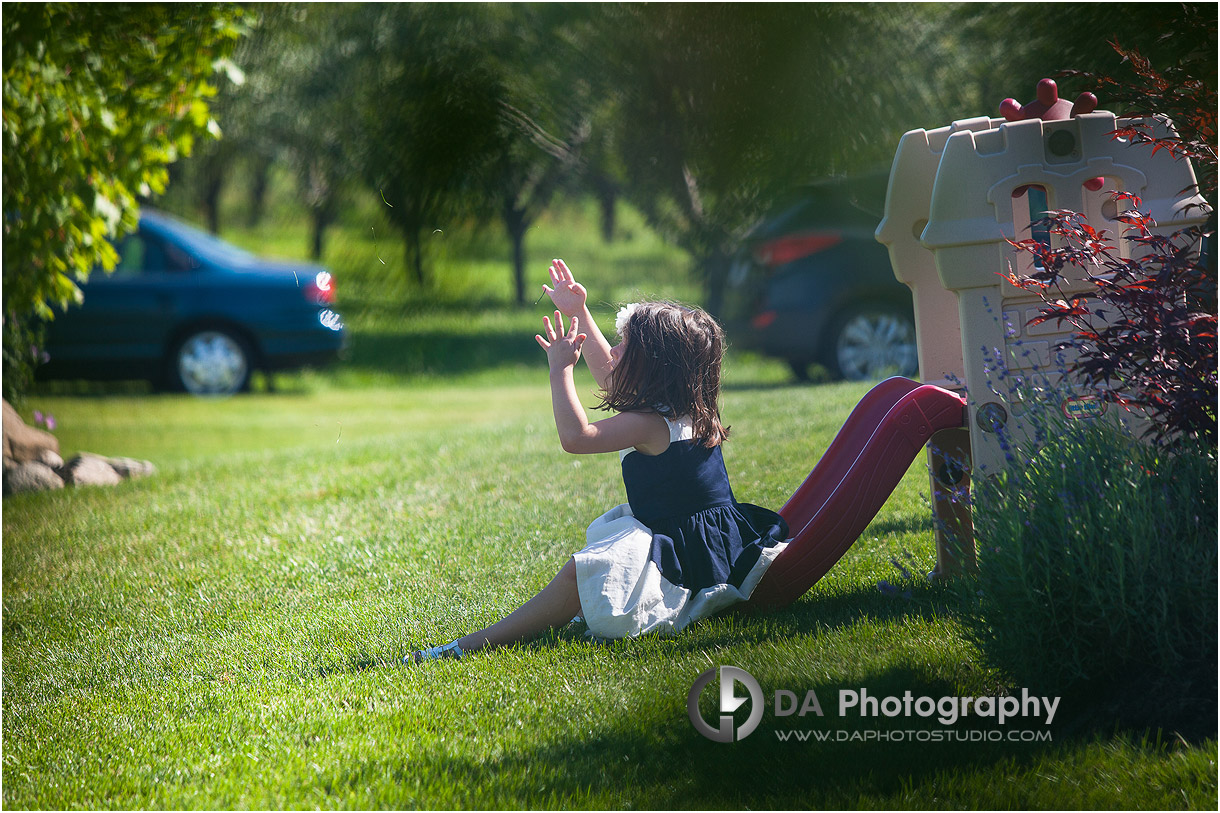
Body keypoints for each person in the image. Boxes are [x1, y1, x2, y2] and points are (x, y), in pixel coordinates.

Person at [408, 259, 790, 662]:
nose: (614, 350)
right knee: (591, 572)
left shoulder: (648, 423)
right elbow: (612, 374)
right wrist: (577, 312)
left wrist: (561, 371)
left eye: (625, 346)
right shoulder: (690, 408)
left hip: (681, 558)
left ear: (653, 367)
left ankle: (465, 647)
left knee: (582, 572)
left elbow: (576, 438)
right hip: (715, 544)